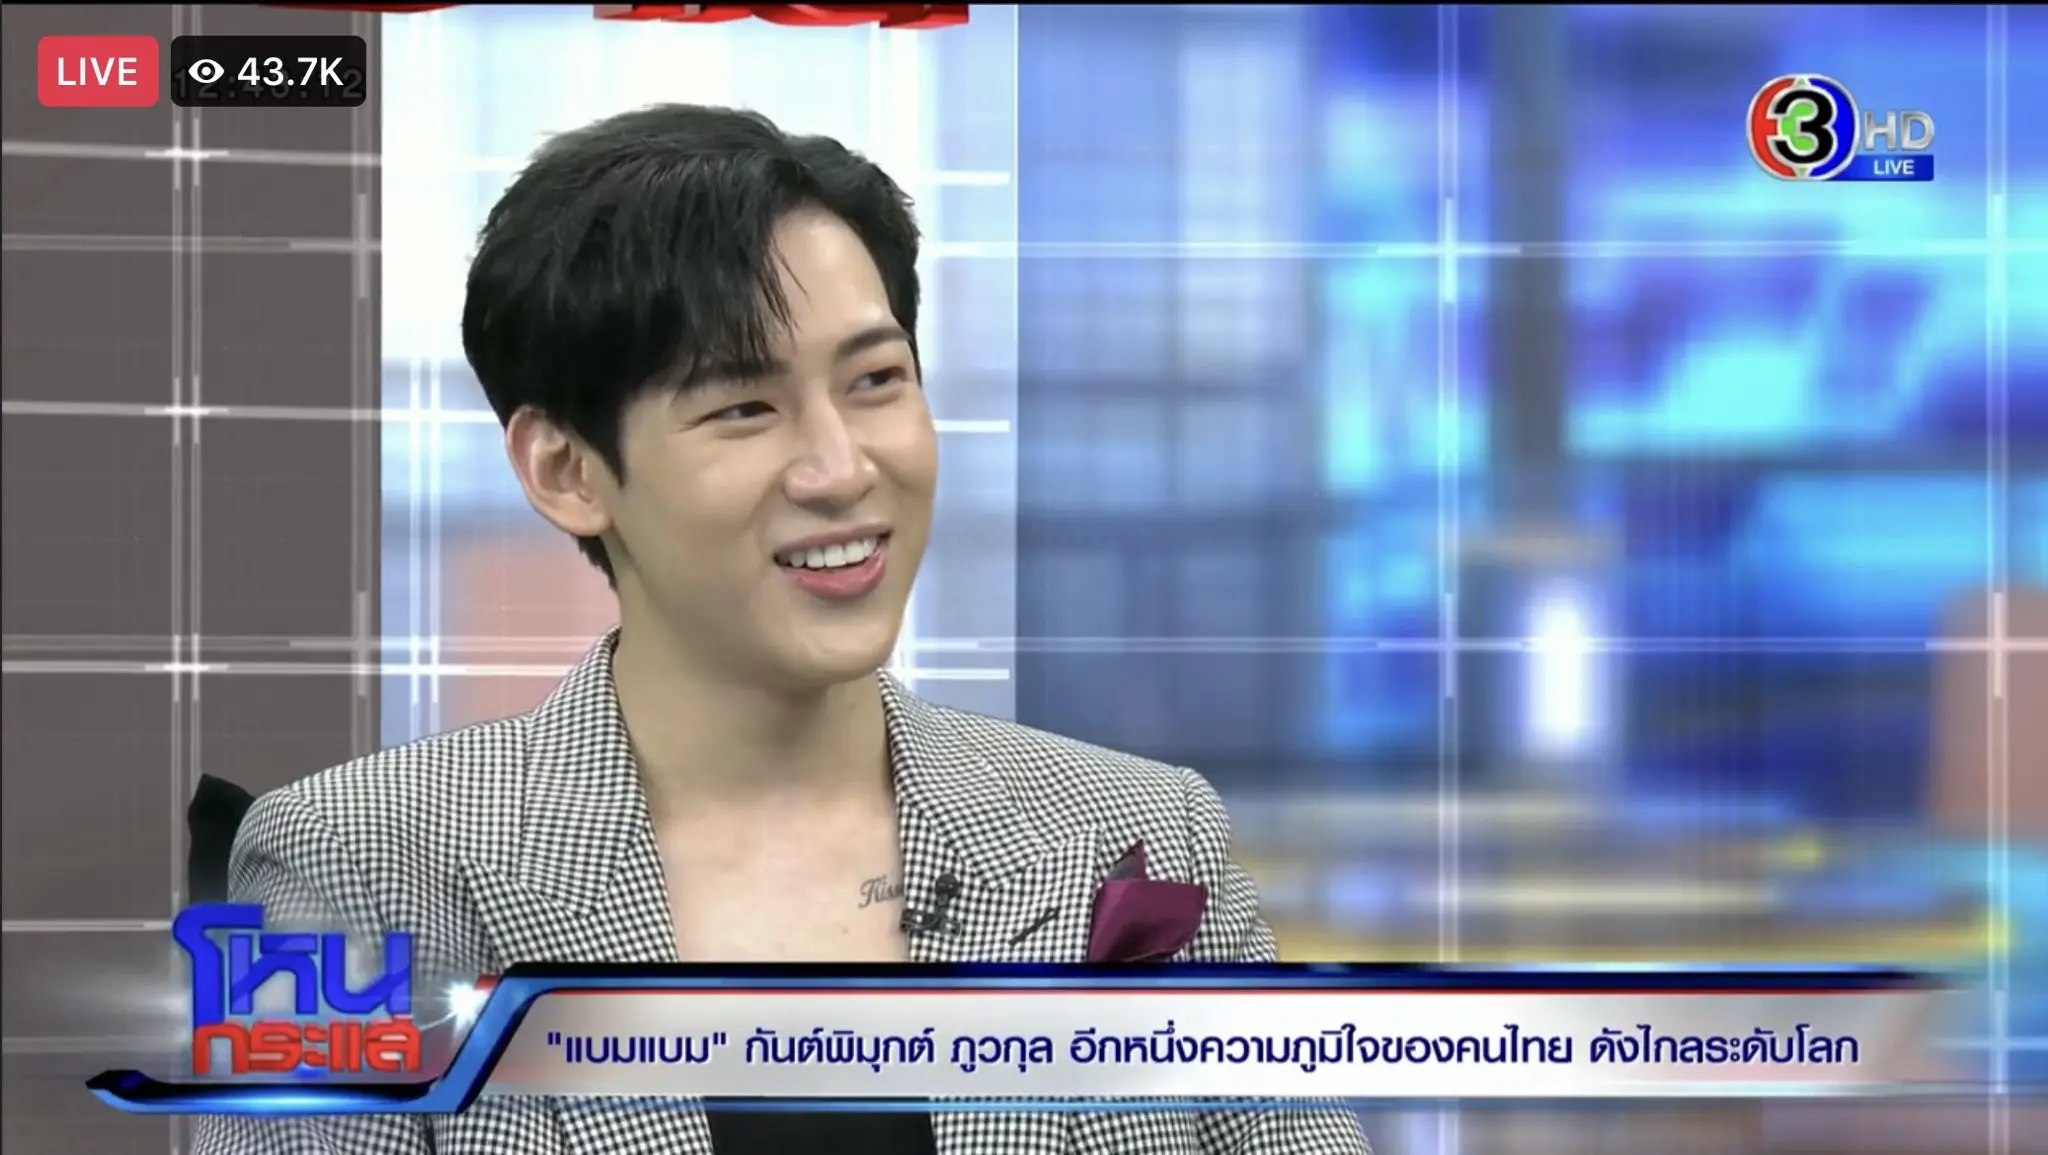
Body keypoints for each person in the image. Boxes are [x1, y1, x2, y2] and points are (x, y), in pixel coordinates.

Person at [192, 104, 1370, 1155]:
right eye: (743, 406)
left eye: (875, 381)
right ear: (565, 469)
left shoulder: (1136, 838)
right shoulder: (359, 868)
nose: (840, 467)